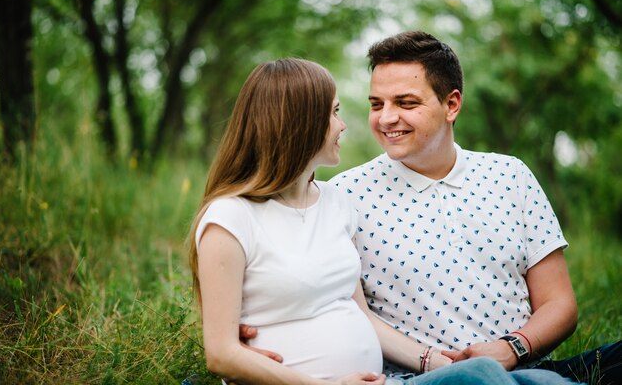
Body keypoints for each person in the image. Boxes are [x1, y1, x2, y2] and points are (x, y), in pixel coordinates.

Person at [188, 58, 576, 385]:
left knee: (541, 380)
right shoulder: (230, 218)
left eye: (405, 102)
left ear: (451, 105)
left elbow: (358, 312)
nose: (344, 125)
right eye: (335, 112)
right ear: (298, 124)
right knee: (483, 378)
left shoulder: (334, 202)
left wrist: (438, 362)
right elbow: (220, 353)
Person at [326, 31, 621, 384]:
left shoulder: (510, 175)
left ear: (451, 105)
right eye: (377, 104)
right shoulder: (343, 195)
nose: (386, 118)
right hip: (420, 379)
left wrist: (514, 348)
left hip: (527, 367)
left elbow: (559, 304)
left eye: (405, 103)